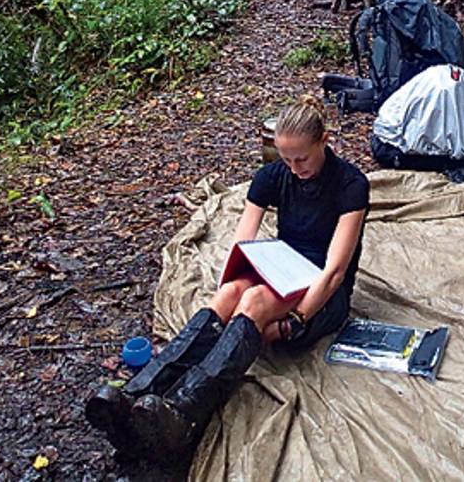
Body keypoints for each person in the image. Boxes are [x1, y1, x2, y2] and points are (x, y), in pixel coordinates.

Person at [85, 97, 369, 461]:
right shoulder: (272, 176)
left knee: (252, 303)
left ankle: (183, 412)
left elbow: (335, 272)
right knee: (232, 292)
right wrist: (233, 282)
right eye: (286, 159)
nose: (295, 168)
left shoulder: (350, 184)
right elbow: (242, 242)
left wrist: (294, 323)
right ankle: (140, 391)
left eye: (303, 159)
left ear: (324, 141)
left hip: (323, 294)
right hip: (285, 269)